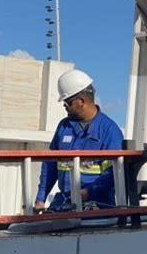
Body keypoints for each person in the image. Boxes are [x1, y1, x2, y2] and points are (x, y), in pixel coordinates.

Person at [34, 69, 123, 212]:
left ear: (81, 101)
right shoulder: (64, 127)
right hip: (66, 201)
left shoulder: (109, 131)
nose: (65, 107)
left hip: (98, 204)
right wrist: (40, 199)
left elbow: (113, 173)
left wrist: (88, 193)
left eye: (67, 103)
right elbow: (50, 166)